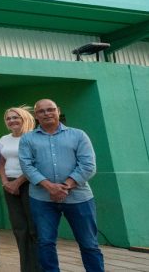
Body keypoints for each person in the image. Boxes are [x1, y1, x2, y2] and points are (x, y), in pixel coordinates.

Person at [19, 99, 104, 272]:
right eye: (41, 111)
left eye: (50, 110)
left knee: (89, 243)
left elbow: (88, 165)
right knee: (45, 243)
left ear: (58, 111)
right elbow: (27, 166)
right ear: (36, 115)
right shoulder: (28, 139)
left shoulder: (78, 135)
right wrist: (50, 187)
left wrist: (65, 186)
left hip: (79, 198)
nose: (47, 113)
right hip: (42, 199)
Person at [0, 107, 41, 272]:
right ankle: (27, 268)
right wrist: (5, 182)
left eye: (16, 117)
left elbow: (36, 163)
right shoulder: (4, 139)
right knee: (19, 229)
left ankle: (39, 267)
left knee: (34, 228)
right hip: (9, 186)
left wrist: (18, 183)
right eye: (8, 118)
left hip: (30, 184)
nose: (12, 121)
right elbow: (1, 162)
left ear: (24, 119)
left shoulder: (33, 137)